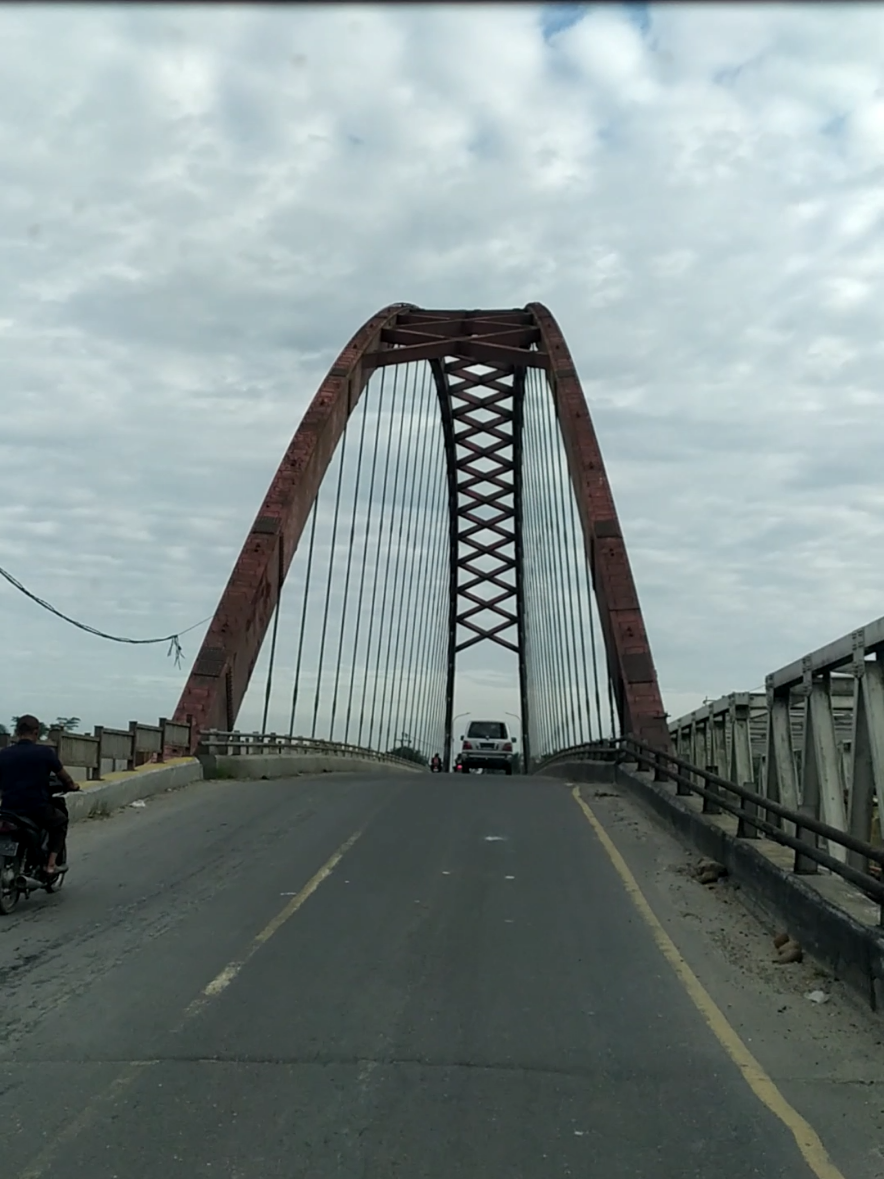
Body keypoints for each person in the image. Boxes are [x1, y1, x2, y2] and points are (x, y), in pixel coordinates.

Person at [0, 715, 80, 878]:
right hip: (36, 807)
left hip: (8, 808)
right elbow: (65, 777)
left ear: (17, 731)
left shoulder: (3, 754)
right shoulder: (45, 753)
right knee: (60, 822)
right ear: (36, 732)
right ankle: (50, 865)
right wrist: (72, 786)